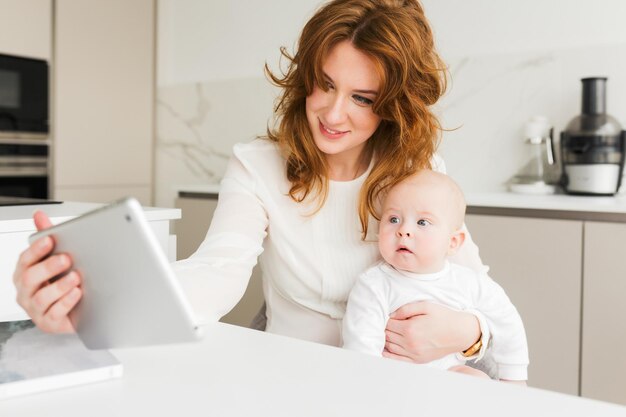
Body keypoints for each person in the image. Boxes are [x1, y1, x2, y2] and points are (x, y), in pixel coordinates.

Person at [13, 0, 491, 364]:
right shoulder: (258, 165)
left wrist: (470, 334)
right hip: (287, 374)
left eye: (362, 98)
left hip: (391, 383)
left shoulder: (419, 171)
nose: (333, 112)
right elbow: (216, 273)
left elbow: (479, 293)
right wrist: (91, 303)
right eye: (325, 84)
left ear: (393, 105)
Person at [342, 170, 529, 383]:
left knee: (479, 381)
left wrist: (513, 379)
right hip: (394, 379)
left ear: (453, 243)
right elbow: (361, 349)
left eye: (422, 222)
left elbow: (508, 323)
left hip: (449, 373)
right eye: (393, 219)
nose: (404, 230)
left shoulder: (469, 283)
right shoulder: (374, 285)